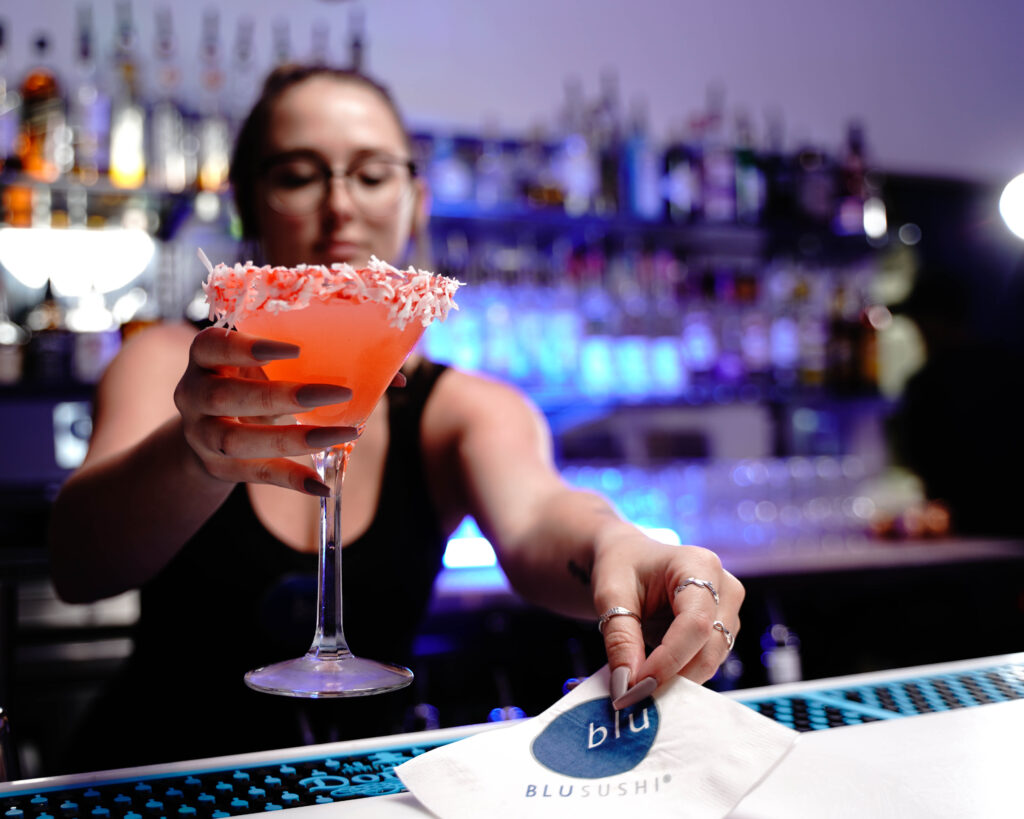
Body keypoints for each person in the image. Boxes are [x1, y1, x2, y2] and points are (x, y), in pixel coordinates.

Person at [48, 64, 744, 773]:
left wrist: (617, 548)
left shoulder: (459, 406)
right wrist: (192, 452)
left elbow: (538, 515)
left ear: (417, 201)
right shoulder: (166, 362)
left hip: (361, 790)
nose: (340, 204)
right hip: (150, 780)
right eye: (297, 174)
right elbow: (76, 565)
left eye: (373, 174)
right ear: (249, 204)